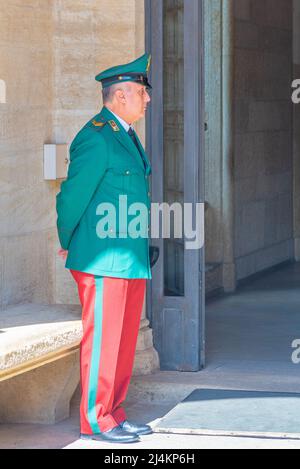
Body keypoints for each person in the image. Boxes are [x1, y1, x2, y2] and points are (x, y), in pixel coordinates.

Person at [56, 54, 154, 444]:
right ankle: (95, 420)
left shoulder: (125, 133)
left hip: (128, 256)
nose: (147, 100)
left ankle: (114, 411)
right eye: (142, 93)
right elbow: (71, 197)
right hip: (101, 256)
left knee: (123, 339)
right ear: (120, 96)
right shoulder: (96, 137)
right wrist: (69, 241)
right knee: (102, 340)